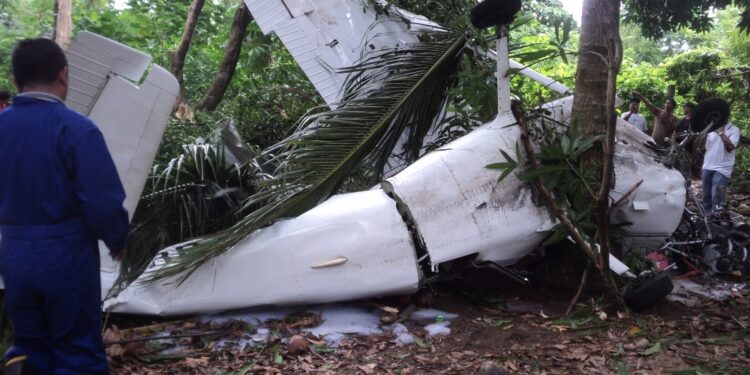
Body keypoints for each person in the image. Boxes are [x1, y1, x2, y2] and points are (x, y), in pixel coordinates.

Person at [0, 38, 129, 373]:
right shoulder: (77, 130)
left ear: (16, 81)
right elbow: (101, 201)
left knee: (29, 347)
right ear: (64, 75)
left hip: (13, 253)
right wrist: (117, 239)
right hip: (64, 255)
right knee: (76, 350)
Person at [701, 121, 740, 214]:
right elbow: (708, 148)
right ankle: (707, 220)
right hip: (708, 166)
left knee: (717, 197)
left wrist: (721, 133)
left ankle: (718, 220)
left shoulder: (734, 129)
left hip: (723, 168)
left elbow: (730, 147)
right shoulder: (711, 130)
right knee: (706, 196)